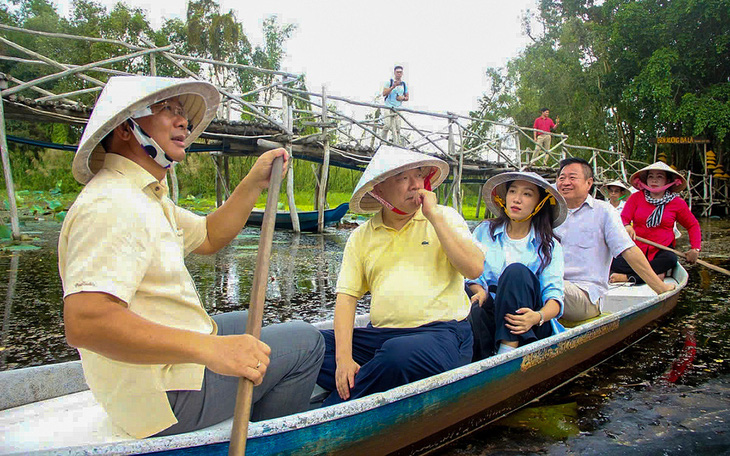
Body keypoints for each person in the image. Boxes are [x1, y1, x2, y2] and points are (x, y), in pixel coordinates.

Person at [59, 76, 325, 439]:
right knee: (309, 343)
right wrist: (210, 349)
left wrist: (251, 183)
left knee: (251, 322)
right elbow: (86, 322)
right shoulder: (112, 204)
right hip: (159, 397)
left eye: (181, 112)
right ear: (126, 128)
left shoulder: (145, 196)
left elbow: (209, 235)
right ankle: (268, 441)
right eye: (167, 109)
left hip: (158, 373)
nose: (182, 121)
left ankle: (249, 402)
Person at [316, 145, 484, 406]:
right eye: (403, 178)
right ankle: (375, 378)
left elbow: (474, 269)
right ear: (379, 189)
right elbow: (347, 298)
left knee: (397, 356)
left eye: (418, 176)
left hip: (444, 335)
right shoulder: (362, 236)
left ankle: (336, 405)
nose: (415, 185)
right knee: (311, 346)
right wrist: (344, 360)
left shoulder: (445, 218)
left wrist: (434, 217)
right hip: (381, 336)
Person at [554, 157, 675, 321]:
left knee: (541, 283)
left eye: (572, 178)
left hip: (584, 295)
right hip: (552, 286)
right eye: (561, 178)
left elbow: (629, 250)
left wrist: (660, 288)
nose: (565, 182)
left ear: (589, 183)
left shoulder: (603, 211)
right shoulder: (548, 213)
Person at [467, 172, 567, 360]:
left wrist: (537, 316)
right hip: (492, 314)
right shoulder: (484, 232)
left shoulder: (549, 246)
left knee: (516, 272)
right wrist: (478, 290)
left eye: (527, 194)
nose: (517, 199)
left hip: (530, 323)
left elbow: (554, 297)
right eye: (513, 191)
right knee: (469, 296)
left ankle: (507, 351)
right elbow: (472, 275)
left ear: (540, 204)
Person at [610, 162, 702, 284]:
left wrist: (695, 249)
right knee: (613, 262)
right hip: (637, 248)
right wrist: (627, 226)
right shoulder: (636, 197)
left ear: (668, 180)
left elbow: (692, 225)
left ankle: (628, 277)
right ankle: (656, 275)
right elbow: (624, 217)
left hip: (661, 250)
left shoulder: (677, 203)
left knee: (670, 259)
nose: (654, 180)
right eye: (650, 176)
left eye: (659, 177)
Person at [381, 65, 409, 145]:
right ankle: (383, 143)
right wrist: (393, 86)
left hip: (398, 108)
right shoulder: (389, 82)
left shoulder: (404, 84)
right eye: (397, 72)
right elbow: (384, 93)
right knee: (387, 125)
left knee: (397, 127)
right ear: (394, 73)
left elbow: (407, 97)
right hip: (388, 106)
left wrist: (402, 98)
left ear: (402, 73)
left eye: (400, 72)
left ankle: (396, 144)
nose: (399, 74)